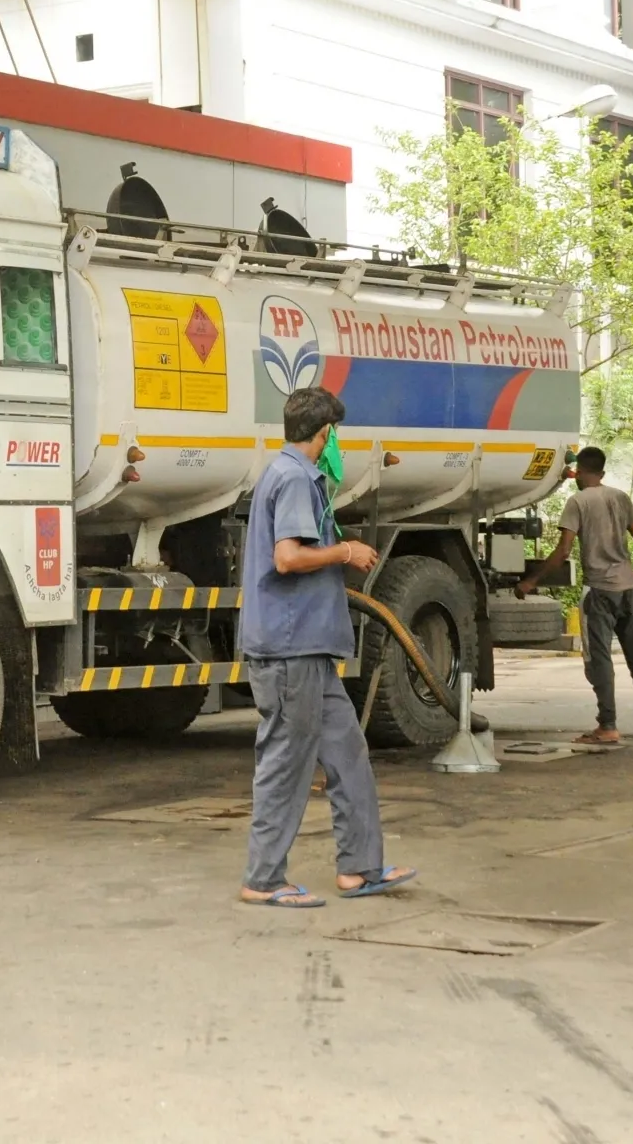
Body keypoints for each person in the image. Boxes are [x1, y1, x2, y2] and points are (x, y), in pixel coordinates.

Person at [237, 386, 416, 908]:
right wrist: (345, 551)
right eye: (334, 435)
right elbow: (288, 557)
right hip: (291, 650)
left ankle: (359, 868)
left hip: (309, 648)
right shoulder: (294, 478)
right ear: (325, 435)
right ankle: (263, 878)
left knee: (349, 754)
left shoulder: (291, 474)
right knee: (286, 764)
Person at [517, 446, 633, 745]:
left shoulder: (577, 501)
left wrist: (532, 581)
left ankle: (607, 726)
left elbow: (564, 551)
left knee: (601, 660)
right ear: (603, 473)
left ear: (579, 472)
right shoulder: (620, 498)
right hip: (630, 587)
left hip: (600, 591)